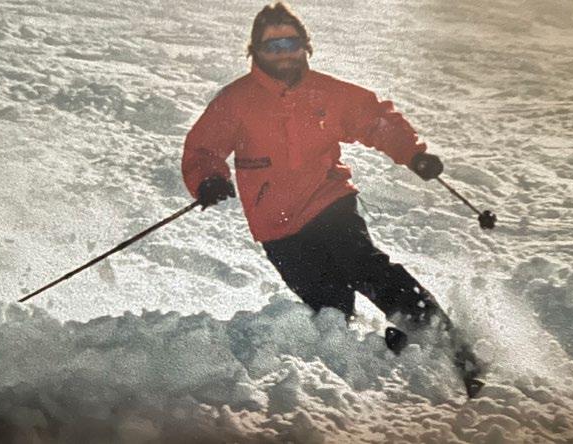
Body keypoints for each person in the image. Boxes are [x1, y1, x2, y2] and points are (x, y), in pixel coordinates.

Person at [181, 2, 483, 396]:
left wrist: (413, 154)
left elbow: (375, 120)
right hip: (276, 225)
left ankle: (450, 346)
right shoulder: (237, 101)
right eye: (272, 46)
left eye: (291, 43)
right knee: (330, 307)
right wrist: (208, 180)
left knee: (363, 265)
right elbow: (203, 149)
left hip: (328, 200)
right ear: (255, 51)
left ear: (305, 45)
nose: (284, 53)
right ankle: (387, 351)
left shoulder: (326, 92)